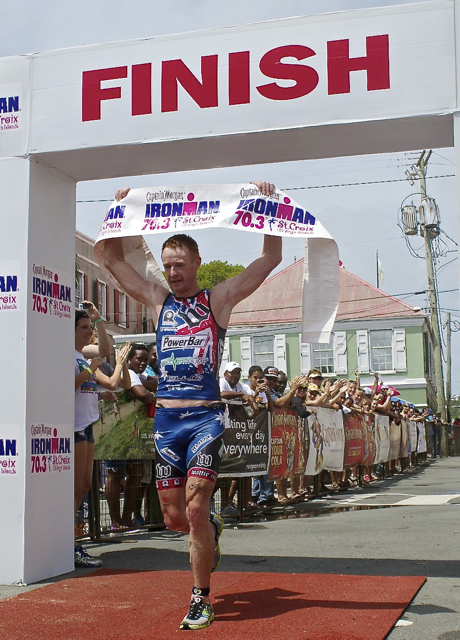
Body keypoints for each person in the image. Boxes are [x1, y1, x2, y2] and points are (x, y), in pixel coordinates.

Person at [94, 181, 281, 630]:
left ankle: (200, 597)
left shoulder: (216, 300)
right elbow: (113, 261)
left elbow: (269, 260)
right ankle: (210, 533)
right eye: (169, 265)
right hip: (167, 421)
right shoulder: (159, 301)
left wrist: (269, 207)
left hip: (205, 419)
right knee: (177, 516)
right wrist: (121, 213)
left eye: (181, 265)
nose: (174, 273)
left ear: (197, 262)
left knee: (196, 506)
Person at [74, 303, 130, 566]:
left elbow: (105, 350)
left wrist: (98, 320)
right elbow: (68, 384)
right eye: (83, 328)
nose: (88, 333)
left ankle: (72, 542)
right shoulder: (69, 355)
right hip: (71, 426)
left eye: (89, 328)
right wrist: (89, 369)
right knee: (74, 488)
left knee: (84, 486)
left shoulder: (81, 355)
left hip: (87, 425)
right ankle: (70, 543)